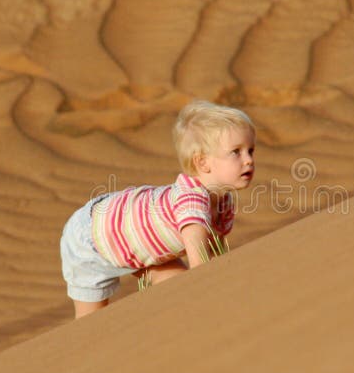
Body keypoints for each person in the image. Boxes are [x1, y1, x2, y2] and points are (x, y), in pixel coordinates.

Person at [60, 99, 256, 319]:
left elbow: (214, 250)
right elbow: (202, 267)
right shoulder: (192, 203)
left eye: (250, 150)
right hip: (93, 240)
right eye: (236, 152)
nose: (248, 160)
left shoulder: (223, 200)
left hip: (141, 241)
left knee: (179, 288)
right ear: (202, 163)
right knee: (90, 323)